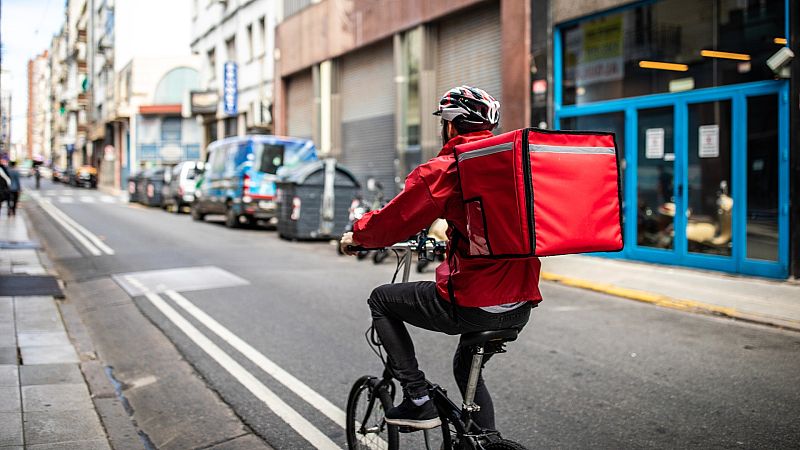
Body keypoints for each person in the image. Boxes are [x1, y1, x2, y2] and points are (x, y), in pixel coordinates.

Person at [340, 86, 542, 431]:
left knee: (382, 300)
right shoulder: (514, 165)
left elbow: (393, 222)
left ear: (449, 126)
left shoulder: (448, 168)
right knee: (467, 370)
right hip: (521, 302)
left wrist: (357, 237)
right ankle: (483, 439)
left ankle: (418, 399)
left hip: (476, 301)